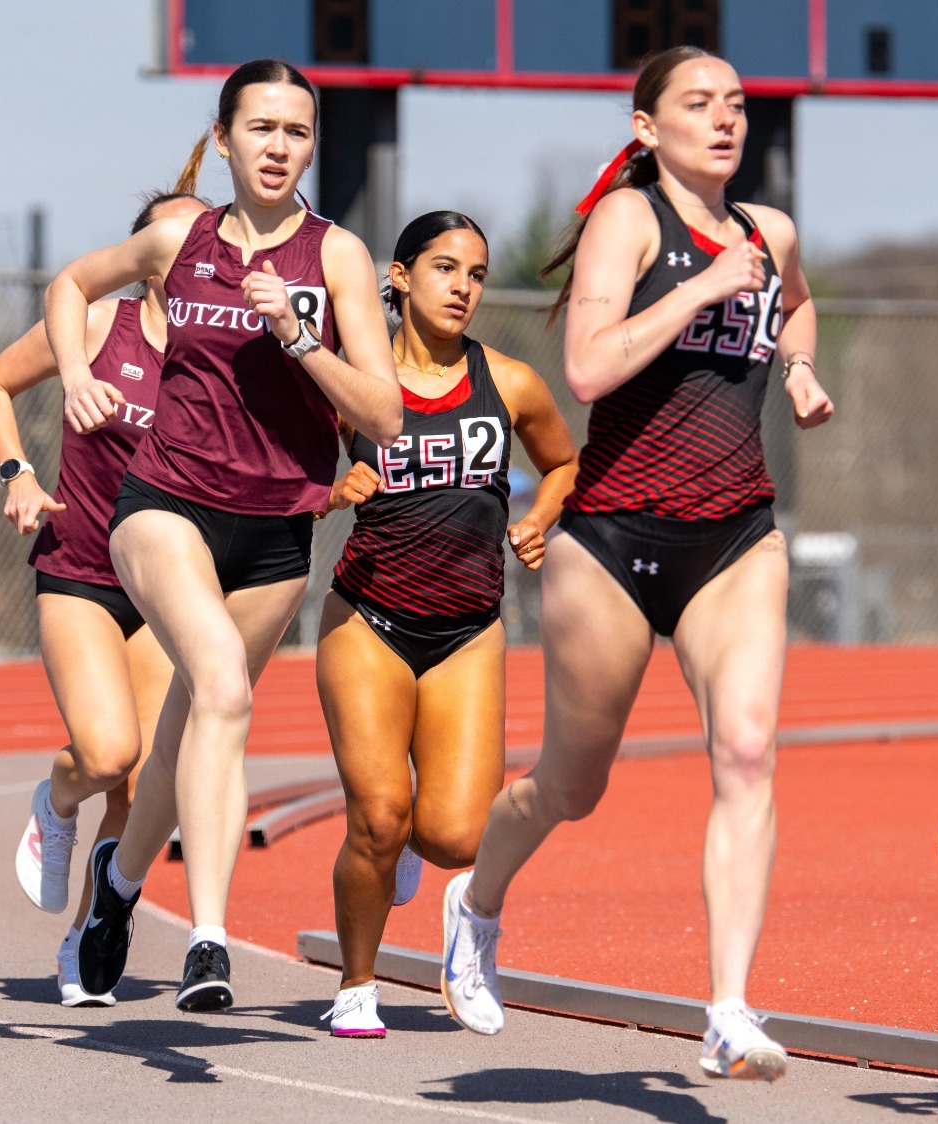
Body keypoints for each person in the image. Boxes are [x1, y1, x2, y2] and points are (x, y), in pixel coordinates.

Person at [437, 46, 833, 1082]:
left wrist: (796, 366)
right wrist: (701, 287)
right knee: (572, 782)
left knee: (746, 752)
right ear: (647, 126)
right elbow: (585, 366)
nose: (723, 119)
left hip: (735, 534)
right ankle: (475, 900)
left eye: (736, 105)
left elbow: (793, 300)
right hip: (610, 538)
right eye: (697, 104)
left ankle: (728, 1008)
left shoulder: (766, 232)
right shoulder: (630, 220)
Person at [47, 58, 401, 1013]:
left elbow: (386, 415)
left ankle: (115, 892)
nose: (280, 147)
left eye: (297, 132)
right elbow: (70, 284)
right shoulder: (177, 237)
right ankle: (208, 939)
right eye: (263, 129)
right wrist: (77, 371)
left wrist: (301, 339)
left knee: (187, 732)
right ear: (227, 135)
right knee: (225, 687)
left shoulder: (337, 257)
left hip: (280, 527)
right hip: (164, 502)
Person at [315, 210, 577, 1039]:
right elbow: (278, 475)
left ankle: (455, 909)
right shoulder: (355, 385)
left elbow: (565, 462)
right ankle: (358, 985)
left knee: (458, 837)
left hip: (469, 626)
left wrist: (544, 518)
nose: (463, 286)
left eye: (475, 272)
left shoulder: (510, 382)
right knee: (381, 816)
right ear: (397, 278)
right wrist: (330, 492)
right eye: (443, 267)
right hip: (369, 617)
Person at [0, 178, 206, 1006]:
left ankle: (87, 935)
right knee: (107, 755)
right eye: (171, 241)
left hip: (167, 581)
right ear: (142, 259)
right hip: (81, 566)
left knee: (146, 789)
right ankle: (57, 800)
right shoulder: (100, 324)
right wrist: (19, 472)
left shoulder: (226, 353)